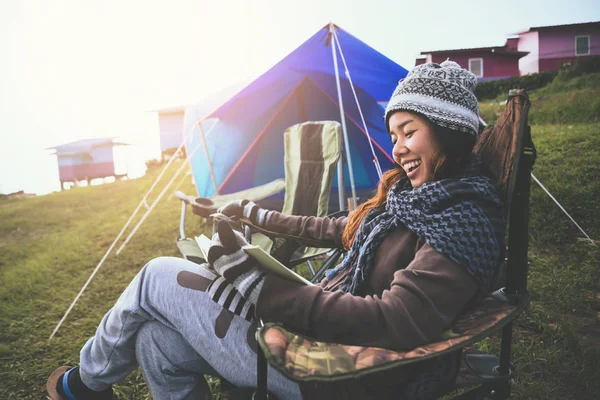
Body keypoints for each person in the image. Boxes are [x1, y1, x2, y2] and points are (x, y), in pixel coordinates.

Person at [47, 61, 505, 400]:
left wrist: (260, 287)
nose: (398, 149)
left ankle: (83, 385)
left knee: (154, 276)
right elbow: (334, 226)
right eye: (393, 136)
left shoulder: (463, 221)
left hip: (341, 373)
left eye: (409, 132)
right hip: (315, 337)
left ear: (449, 130)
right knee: (155, 342)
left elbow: (395, 320)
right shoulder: (411, 200)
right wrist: (254, 215)